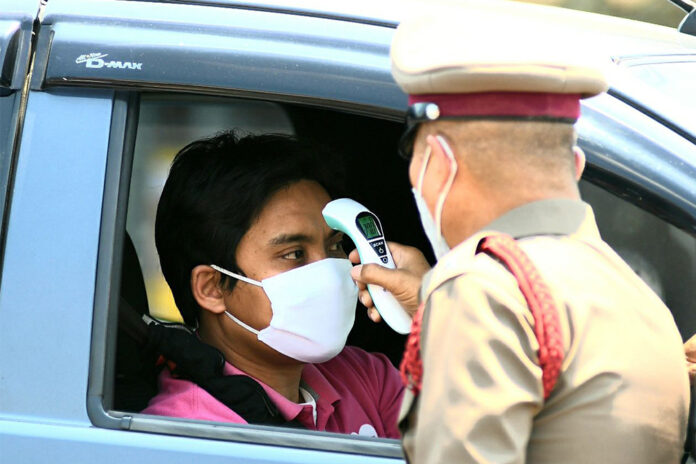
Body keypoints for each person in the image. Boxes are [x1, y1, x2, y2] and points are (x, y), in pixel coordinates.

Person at [350, 14, 689, 463]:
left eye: (414, 158)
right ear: (576, 166)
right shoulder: (639, 299)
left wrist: (452, 299)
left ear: (440, 162)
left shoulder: (480, 290)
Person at [141, 131, 403, 437]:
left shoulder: (366, 377)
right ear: (212, 288)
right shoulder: (188, 437)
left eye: (334, 247)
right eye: (294, 254)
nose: (332, 272)